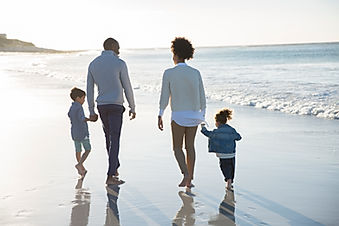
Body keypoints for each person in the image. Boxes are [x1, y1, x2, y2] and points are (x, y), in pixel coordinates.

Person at [87, 38, 136, 185]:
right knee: (115, 139)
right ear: (113, 46)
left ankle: (114, 169)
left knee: (108, 137)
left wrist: (91, 110)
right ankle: (110, 175)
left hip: (102, 106)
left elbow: (89, 89)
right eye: (118, 47)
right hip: (115, 106)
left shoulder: (93, 64)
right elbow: (127, 87)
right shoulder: (120, 64)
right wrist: (132, 107)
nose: (119, 50)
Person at [158, 37, 206, 188]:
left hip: (178, 115)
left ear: (176, 54)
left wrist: (160, 113)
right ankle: (190, 180)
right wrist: (202, 115)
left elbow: (164, 96)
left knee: (177, 148)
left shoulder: (169, 73)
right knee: (190, 147)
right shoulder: (195, 72)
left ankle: (185, 174)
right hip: (195, 115)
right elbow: (202, 95)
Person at [201, 108, 242, 190]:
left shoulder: (216, 132)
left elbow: (208, 134)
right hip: (231, 153)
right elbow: (238, 137)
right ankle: (230, 180)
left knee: (224, 167)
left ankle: (228, 180)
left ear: (218, 122)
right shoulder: (231, 130)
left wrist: (203, 127)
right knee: (231, 167)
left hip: (222, 154)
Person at [68, 87, 93, 178]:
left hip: (74, 132)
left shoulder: (72, 107)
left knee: (78, 150)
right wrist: (90, 119)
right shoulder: (79, 107)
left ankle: (81, 168)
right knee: (88, 149)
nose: (84, 100)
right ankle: (80, 164)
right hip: (82, 132)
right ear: (78, 98)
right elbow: (81, 118)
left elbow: (70, 116)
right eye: (83, 98)